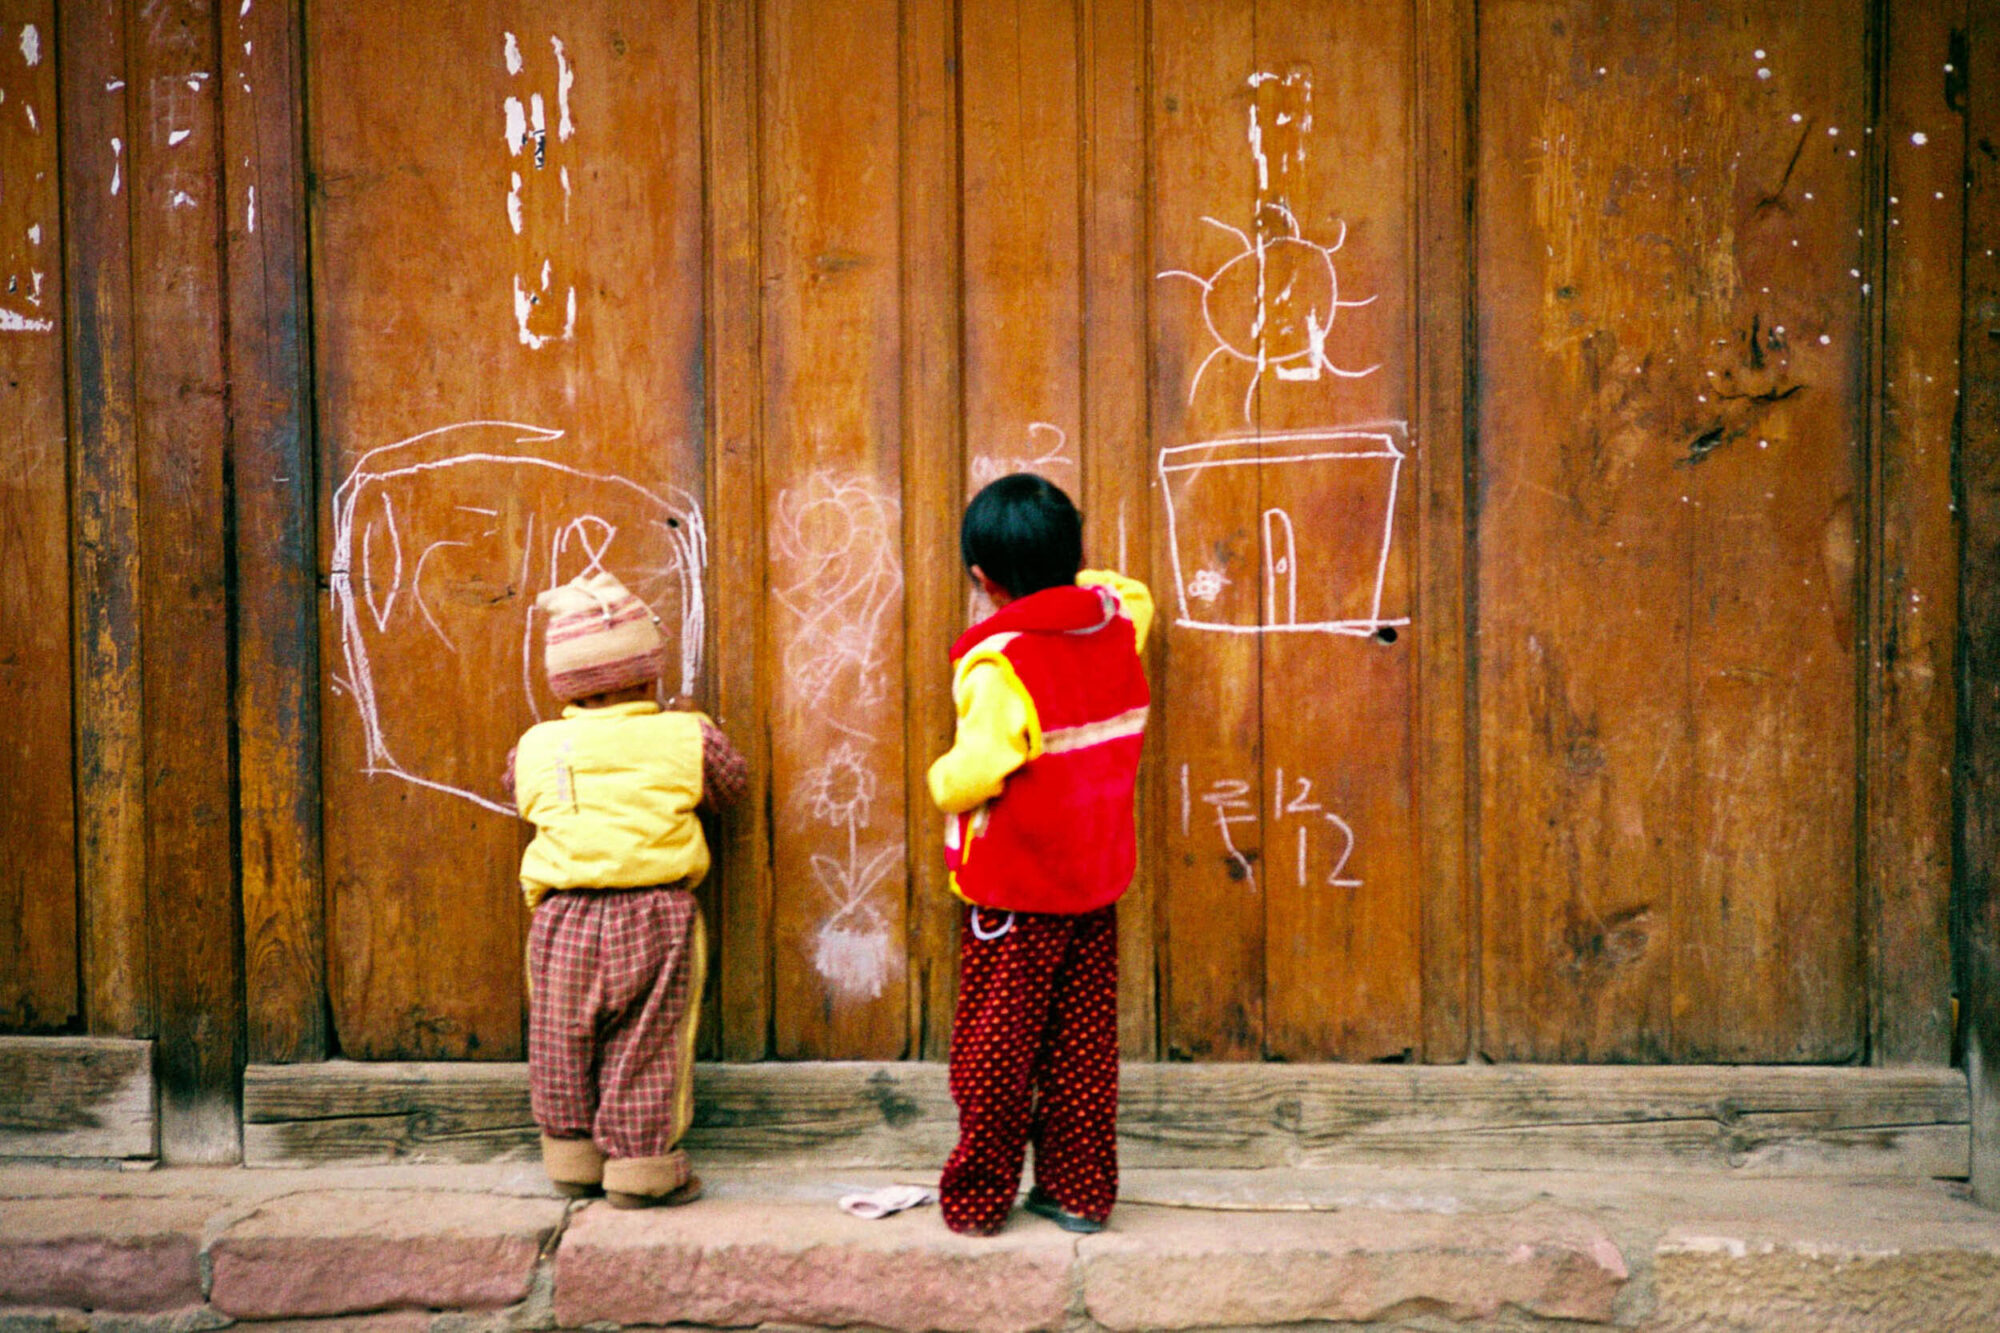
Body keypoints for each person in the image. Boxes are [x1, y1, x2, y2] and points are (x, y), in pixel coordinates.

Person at [927, 473, 1153, 1236]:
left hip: (1015, 895)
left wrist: (939, 783)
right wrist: (1068, 579)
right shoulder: (1119, 625)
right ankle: (1080, 1191)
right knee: (1083, 1047)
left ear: (981, 579)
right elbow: (1123, 588)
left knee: (995, 1049)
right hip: (1094, 883)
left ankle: (980, 1198)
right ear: (1072, 555)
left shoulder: (1000, 664)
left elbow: (974, 771)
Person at [508, 570, 747, 1207]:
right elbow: (731, 785)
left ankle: (570, 1159)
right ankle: (641, 1169)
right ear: (649, 675)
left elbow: (522, 797)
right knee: (650, 1040)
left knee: (560, 1036)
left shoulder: (536, 746)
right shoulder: (686, 735)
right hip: (656, 911)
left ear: (563, 682)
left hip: (564, 914)